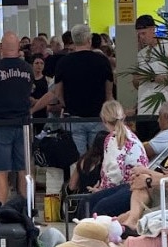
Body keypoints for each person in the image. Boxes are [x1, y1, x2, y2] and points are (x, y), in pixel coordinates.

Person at [0, 31, 34, 204]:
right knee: (24, 170)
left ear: (1, 47)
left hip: (0, 124)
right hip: (23, 125)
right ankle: (27, 210)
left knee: (0, 171)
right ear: (18, 48)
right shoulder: (27, 69)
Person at [55, 24, 114, 155]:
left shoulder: (63, 62)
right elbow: (109, 93)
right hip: (98, 117)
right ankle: (96, 176)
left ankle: (79, 176)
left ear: (74, 40)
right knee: (97, 157)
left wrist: (67, 105)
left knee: (77, 160)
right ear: (89, 39)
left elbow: (58, 93)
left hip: (73, 118)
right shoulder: (102, 61)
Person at [85, 100, 149, 217]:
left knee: (92, 205)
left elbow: (114, 172)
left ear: (104, 120)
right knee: (94, 201)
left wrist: (102, 189)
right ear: (123, 116)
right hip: (136, 186)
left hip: (128, 187)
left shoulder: (112, 138)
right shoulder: (131, 136)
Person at [133, 14, 168, 141]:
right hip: (143, 110)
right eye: (139, 34)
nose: (141, 37)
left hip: (162, 110)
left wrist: (152, 77)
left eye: (144, 33)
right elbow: (135, 83)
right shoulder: (141, 54)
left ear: (153, 30)